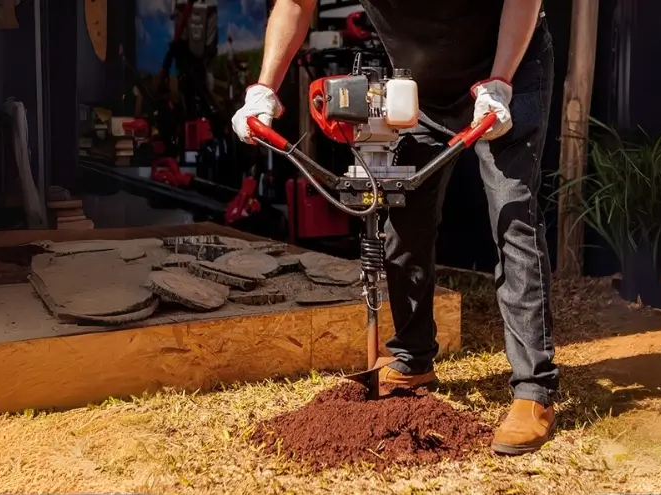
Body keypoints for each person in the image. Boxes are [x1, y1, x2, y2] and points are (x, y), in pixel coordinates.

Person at [231, 0, 556, 456]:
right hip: (422, 89)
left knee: (511, 213)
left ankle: (533, 391)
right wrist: (264, 89)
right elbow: (295, 3)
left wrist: (500, 81)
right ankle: (413, 357)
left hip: (511, 69)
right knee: (404, 210)